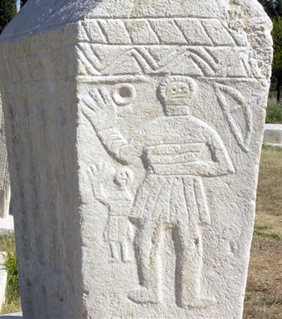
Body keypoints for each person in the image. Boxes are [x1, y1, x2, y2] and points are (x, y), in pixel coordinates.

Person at [81, 76, 234, 308]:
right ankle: (150, 290)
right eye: (172, 90)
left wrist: (192, 167)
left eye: (182, 89)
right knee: (146, 238)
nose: (177, 93)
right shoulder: (153, 128)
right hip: (156, 187)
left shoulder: (201, 129)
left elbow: (225, 165)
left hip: (185, 188)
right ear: (163, 97)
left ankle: (190, 295)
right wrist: (105, 126)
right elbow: (126, 154)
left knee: (189, 240)